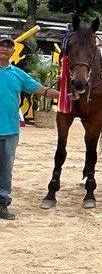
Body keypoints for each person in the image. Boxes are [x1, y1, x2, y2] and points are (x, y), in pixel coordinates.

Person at [0, 32, 58, 221]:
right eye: (1, 45)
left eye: (8, 46)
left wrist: (63, 95)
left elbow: (40, 89)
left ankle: (2, 204)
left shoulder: (18, 74)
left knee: (5, 169)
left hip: (10, 131)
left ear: (13, 50)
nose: (4, 49)